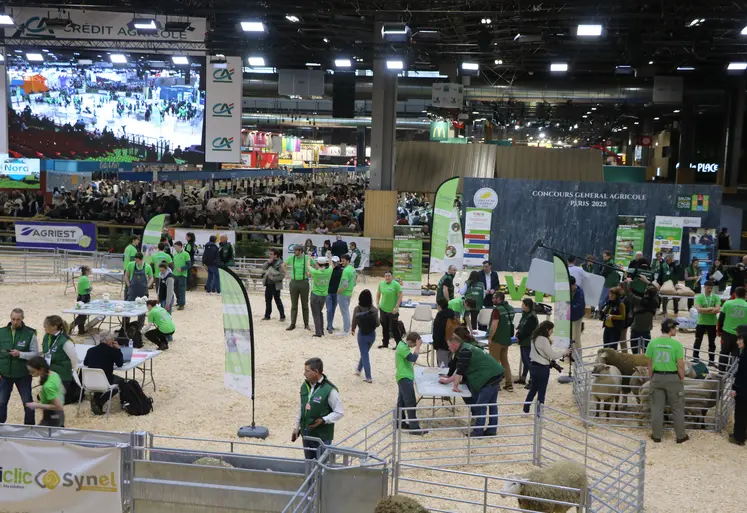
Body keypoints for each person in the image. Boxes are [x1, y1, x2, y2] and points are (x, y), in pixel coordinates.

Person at [439, 335, 504, 437]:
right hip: (496, 373)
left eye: (449, 346)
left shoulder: (464, 351)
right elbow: (460, 371)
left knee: (480, 405)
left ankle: (478, 432)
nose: (448, 348)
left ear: (455, 345)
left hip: (488, 377)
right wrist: (447, 380)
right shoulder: (467, 347)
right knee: (492, 404)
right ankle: (492, 429)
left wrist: (455, 385)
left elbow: (460, 371)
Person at [646, 319, 689, 444]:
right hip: (673, 378)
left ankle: (656, 436)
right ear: (670, 329)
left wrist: (652, 377)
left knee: (657, 408)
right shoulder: (677, 345)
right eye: (675, 328)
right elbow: (680, 364)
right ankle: (681, 436)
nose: (676, 330)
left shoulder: (652, 343)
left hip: (657, 377)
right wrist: (681, 377)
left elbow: (649, 363)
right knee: (677, 408)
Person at [292, 358, 344, 460]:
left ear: (316, 372)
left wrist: (324, 420)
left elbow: (339, 412)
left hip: (322, 437)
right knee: (309, 464)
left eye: (307, 371)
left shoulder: (330, 390)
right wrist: (296, 427)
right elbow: (302, 407)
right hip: (306, 435)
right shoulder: (304, 386)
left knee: (322, 466)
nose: (304, 374)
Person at [0, 308, 38, 425]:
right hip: (5, 375)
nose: (15, 322)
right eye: (13, 319)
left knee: (27, 402)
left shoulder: (30, 333)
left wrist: (20, 354)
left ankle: (30, 427)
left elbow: (35, 354)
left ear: (22, 319)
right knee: (1, 402)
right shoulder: (1, 332)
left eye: (18, 319)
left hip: (23, 375)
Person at [524, 321, 569, 414]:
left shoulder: (534, 338)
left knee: (533, 389)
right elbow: (552, 354)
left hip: (533, 366)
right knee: (541, 391)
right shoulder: (544, 340)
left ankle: (526, 408)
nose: (552, 332)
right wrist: (564, 352)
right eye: (552, 329)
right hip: (542, 368)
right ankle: (539, 414)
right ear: (547, 329)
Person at [83, 331, 123, 415]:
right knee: (122, 382)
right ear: (107, 340)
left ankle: (97, 399)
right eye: (112, 339)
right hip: (105, 381)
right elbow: (120, 364)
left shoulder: (91, 350)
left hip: (90, 381)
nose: (113, 341)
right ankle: (99, 401)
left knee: (106, 379)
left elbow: (85, 363)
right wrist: (118, 349)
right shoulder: (112, 351)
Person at [41, 315, 79, 405]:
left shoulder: (65, 341)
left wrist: (71, 371)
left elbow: (74, 359)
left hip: (62, 374)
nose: (44, 327)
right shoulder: (46, 337)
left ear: (54, 327)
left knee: (57, 401)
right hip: (49, 373)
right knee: (43, 398)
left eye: (46, 325)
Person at [396, 332, 426, 435]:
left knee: (402, 402)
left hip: (402, 377)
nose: (413, 347)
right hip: (405, 378)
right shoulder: (403, 348)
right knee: (410, 402)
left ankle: (399, 422)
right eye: (413, 344)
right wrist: (418, 347)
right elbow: (413, 359)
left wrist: (416, 345)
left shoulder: (402, 345)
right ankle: (414, 428)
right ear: (409, 341)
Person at [25, 356, 65, 427]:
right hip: (59, 415)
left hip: (53, 415)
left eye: (32, 371)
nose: (30, 373)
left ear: (41, 369)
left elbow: (58, 406)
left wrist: (37, 405)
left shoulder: (48, 386)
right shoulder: (53, 374)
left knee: (44, 435)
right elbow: (63, 390)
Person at [351, 289, 379, 382]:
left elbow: (354, 320)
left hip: (362, 334)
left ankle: (368, 377)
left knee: (364, 355)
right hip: (372, 335)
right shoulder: (374, 310)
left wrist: (353, 329)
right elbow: (378, 323)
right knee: (365, 353)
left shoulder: (357, 309)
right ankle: (358, 370)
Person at [489, 292, 514, 392]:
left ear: (499, 299)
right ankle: (509, 384)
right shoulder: (511, 308)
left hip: (497, 339)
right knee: (505, 362)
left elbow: (494, 325)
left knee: (494, 363)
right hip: (506, 339)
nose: (492, 300)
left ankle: (496, 384)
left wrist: (490, 337)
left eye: (494, 298)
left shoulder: (497, 310)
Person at [718, 286, 747, 371]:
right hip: (740, 335)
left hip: (726, 332)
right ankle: (731, 372)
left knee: (724, 352)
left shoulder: (727, 303)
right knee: (735, 354)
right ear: (745, 295)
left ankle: (721, 371)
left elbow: (721, 318)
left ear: (735, 294)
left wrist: (719, 331)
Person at [694, 280, 721, 364]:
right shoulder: (699, 297)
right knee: (698, 341)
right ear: (704, 287)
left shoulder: (716, 297)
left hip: (712, 323)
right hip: (701, 322)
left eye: (711, 288)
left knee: (712, 343)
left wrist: (704, 310)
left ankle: (711, 361)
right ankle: (695, 358)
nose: (709, 289)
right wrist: (710, 309)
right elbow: (699, 309)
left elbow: (717, 310)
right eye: (708, 287)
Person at [284, 244, 311, 331]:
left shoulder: (306, 258)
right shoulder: (292, 258)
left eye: (296, 250)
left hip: (304, 282)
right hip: (294, 282)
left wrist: (311, 273)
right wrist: (287, 274)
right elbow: (283, 265)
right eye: (294, 250)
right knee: (294, 304)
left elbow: (316, 266)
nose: (294, 252)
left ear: (300, 251)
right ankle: (293, 324)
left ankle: (306, 324)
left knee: (305, 304)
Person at [514, 298, 538, 387]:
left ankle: (532, 381)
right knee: (525, 361)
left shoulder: (531, 317)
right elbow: (521, 326)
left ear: (527, 306)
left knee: (529, 362)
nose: (521, 306)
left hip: (528, 342)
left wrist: (519, 337)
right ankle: (523, 379)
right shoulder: (526, 314)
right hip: (524, 342)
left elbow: (528, 331)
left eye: (523, 304)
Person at [729, 325, 747, 445]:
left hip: (744, 391)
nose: (737, 342)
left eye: (739, 339)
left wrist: (735, 388)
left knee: (740, 413)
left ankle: (739, 437)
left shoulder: (744, 356)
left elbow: (741, 376)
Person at [376, 270, 403, 349]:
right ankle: (385, 343)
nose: (387, 277)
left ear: (392, 277)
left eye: (389, 276)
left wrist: (396, 307)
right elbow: (378, 294)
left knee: (394, 328)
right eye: (386, 276)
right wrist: (377, 303)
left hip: (393, 311)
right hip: (383, 309)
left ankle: (399, 344)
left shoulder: (396, 285)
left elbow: (400, 296)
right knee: (385, 327)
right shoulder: (381, 284)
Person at [629, 286, 659, 354]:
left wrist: (626, 283)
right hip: (646, 330)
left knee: (635, 353)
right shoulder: (655, 303)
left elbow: (629, 294)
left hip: (635, 330)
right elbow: (657, 292)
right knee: (647, 353)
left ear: (646, 294)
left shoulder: (639, 301)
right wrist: (647, 282)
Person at [307, 257, 333, 338]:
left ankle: (318, 332)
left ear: (317, 264)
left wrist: (309, 256)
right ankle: (321, 330)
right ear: (325, 263)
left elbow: (308, 265)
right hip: (324, 295)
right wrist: (329, 257)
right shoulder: (329, 271)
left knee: (316, 314)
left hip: (315, 294)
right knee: (320, 312)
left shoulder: (315, 272)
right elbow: (332, 264)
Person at [262, 249, 286, 321]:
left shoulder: (281, 263)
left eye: (271, 254)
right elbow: (263, 267)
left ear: (276, 255)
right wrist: (268, 262)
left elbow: (282, 275)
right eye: (270, 254)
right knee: (268, 300)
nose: (270, 255)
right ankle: (267, 316)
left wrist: (273, 278)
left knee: (277, 300)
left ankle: (282, 316)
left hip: (275, 285)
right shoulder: (270, 262)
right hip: (268, 284)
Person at [433, 298, 457, 367]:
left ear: (439, 306)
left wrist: (436, 345)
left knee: (442, 369)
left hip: (442, 345)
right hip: (451, 344)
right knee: (449, 366)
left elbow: (437, 332)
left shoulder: (440, 316)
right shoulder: (452, 313)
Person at [337, 254, 356, 336]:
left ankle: (346, 330)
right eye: (341, 260)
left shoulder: (345, 271)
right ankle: (347, 328)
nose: (342, 262)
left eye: (343, 261)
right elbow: (355, 281)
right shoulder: (353, 269)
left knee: (344, 312)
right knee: (346, 311)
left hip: (343, 293)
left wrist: (338, 291)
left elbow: (345, 284)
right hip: (349, 293)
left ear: (348, 261)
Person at [326, 256, 343, 334]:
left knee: (332, 310)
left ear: (338, 262)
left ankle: (330, 324)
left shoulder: (341, 271)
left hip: (336, 293)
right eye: (333, 262)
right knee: (329, 310)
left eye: (335, 262)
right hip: (328, 293)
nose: (334, 263)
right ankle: (329, 326)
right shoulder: (328, 270)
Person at [172, 241, 191, 311]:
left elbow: (189, 265)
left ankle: (182, 304)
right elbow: (173, 264)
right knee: (175, 289)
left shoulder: (186, 254)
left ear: (180, 246)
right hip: (174, 275)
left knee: (181, 290)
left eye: (176, 247)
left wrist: (182, 268)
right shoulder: (175, 254)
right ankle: (179, 301)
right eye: (174, 247)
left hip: (182, 275)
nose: (175, 248)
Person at [74, 265, 92, 335]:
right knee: (82, 315)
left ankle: (81, 330)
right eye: (90, 269)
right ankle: (72, 326)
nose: (91, 270)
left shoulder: (82, 277)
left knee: (82, 314)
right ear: (87, 271)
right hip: (84, 297)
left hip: (81, 296)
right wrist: (91, 288)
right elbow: (87, 289)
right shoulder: (85, 278)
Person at [569, 276, 585, 349]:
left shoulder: (579, 292)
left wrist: (568, 306)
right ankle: (570, 356)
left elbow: (578, 306)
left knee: (576, 339)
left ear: (573, 284)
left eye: (570, 286)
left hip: (577, 317)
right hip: (569, 317)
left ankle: (578, 358)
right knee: (569, 337)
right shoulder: (567, 290)